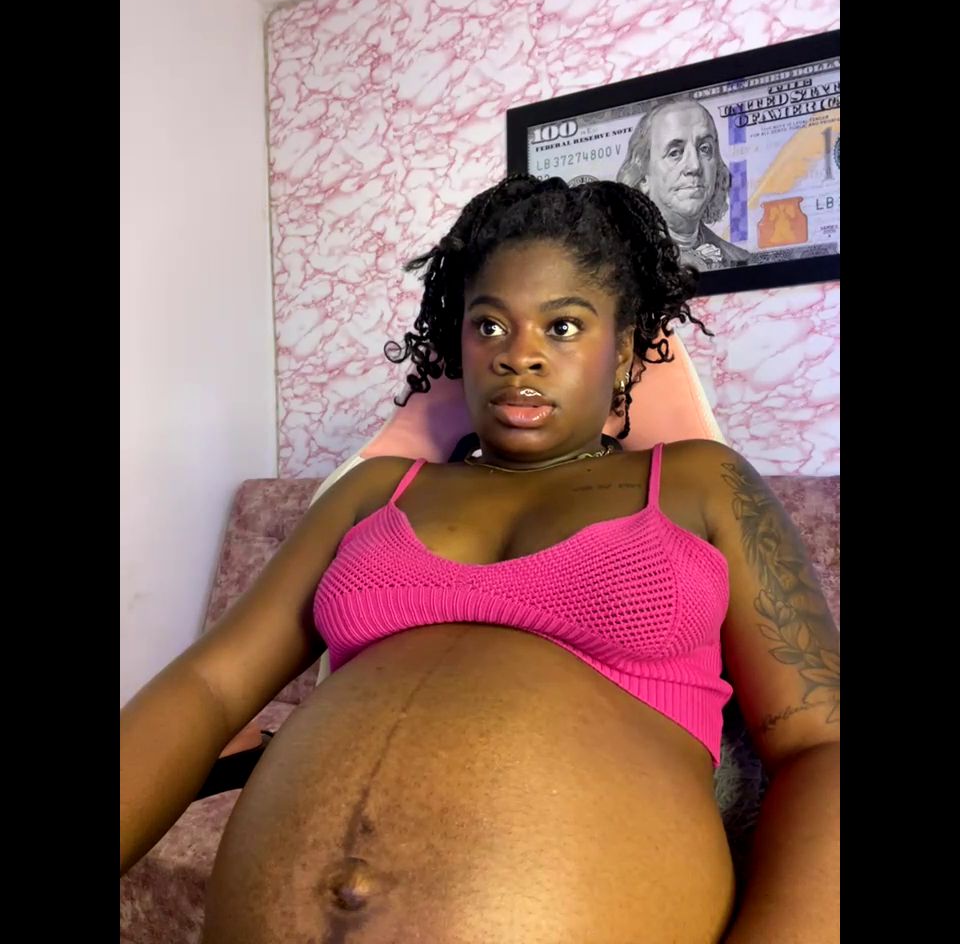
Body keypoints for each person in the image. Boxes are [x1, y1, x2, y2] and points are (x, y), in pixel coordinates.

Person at [120, 174, 839, 943]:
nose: (519, 356)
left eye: (563, 326)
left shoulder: (702, 482)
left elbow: (819, 744)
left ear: (625, 349)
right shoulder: (376, 490)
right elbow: (210, 686)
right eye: (489, 325)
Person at [617, 99, 752, 272]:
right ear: (643, 176)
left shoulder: (740, 260)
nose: (694, 166)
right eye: (675, 153)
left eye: (704, 149)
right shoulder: (619, 263)